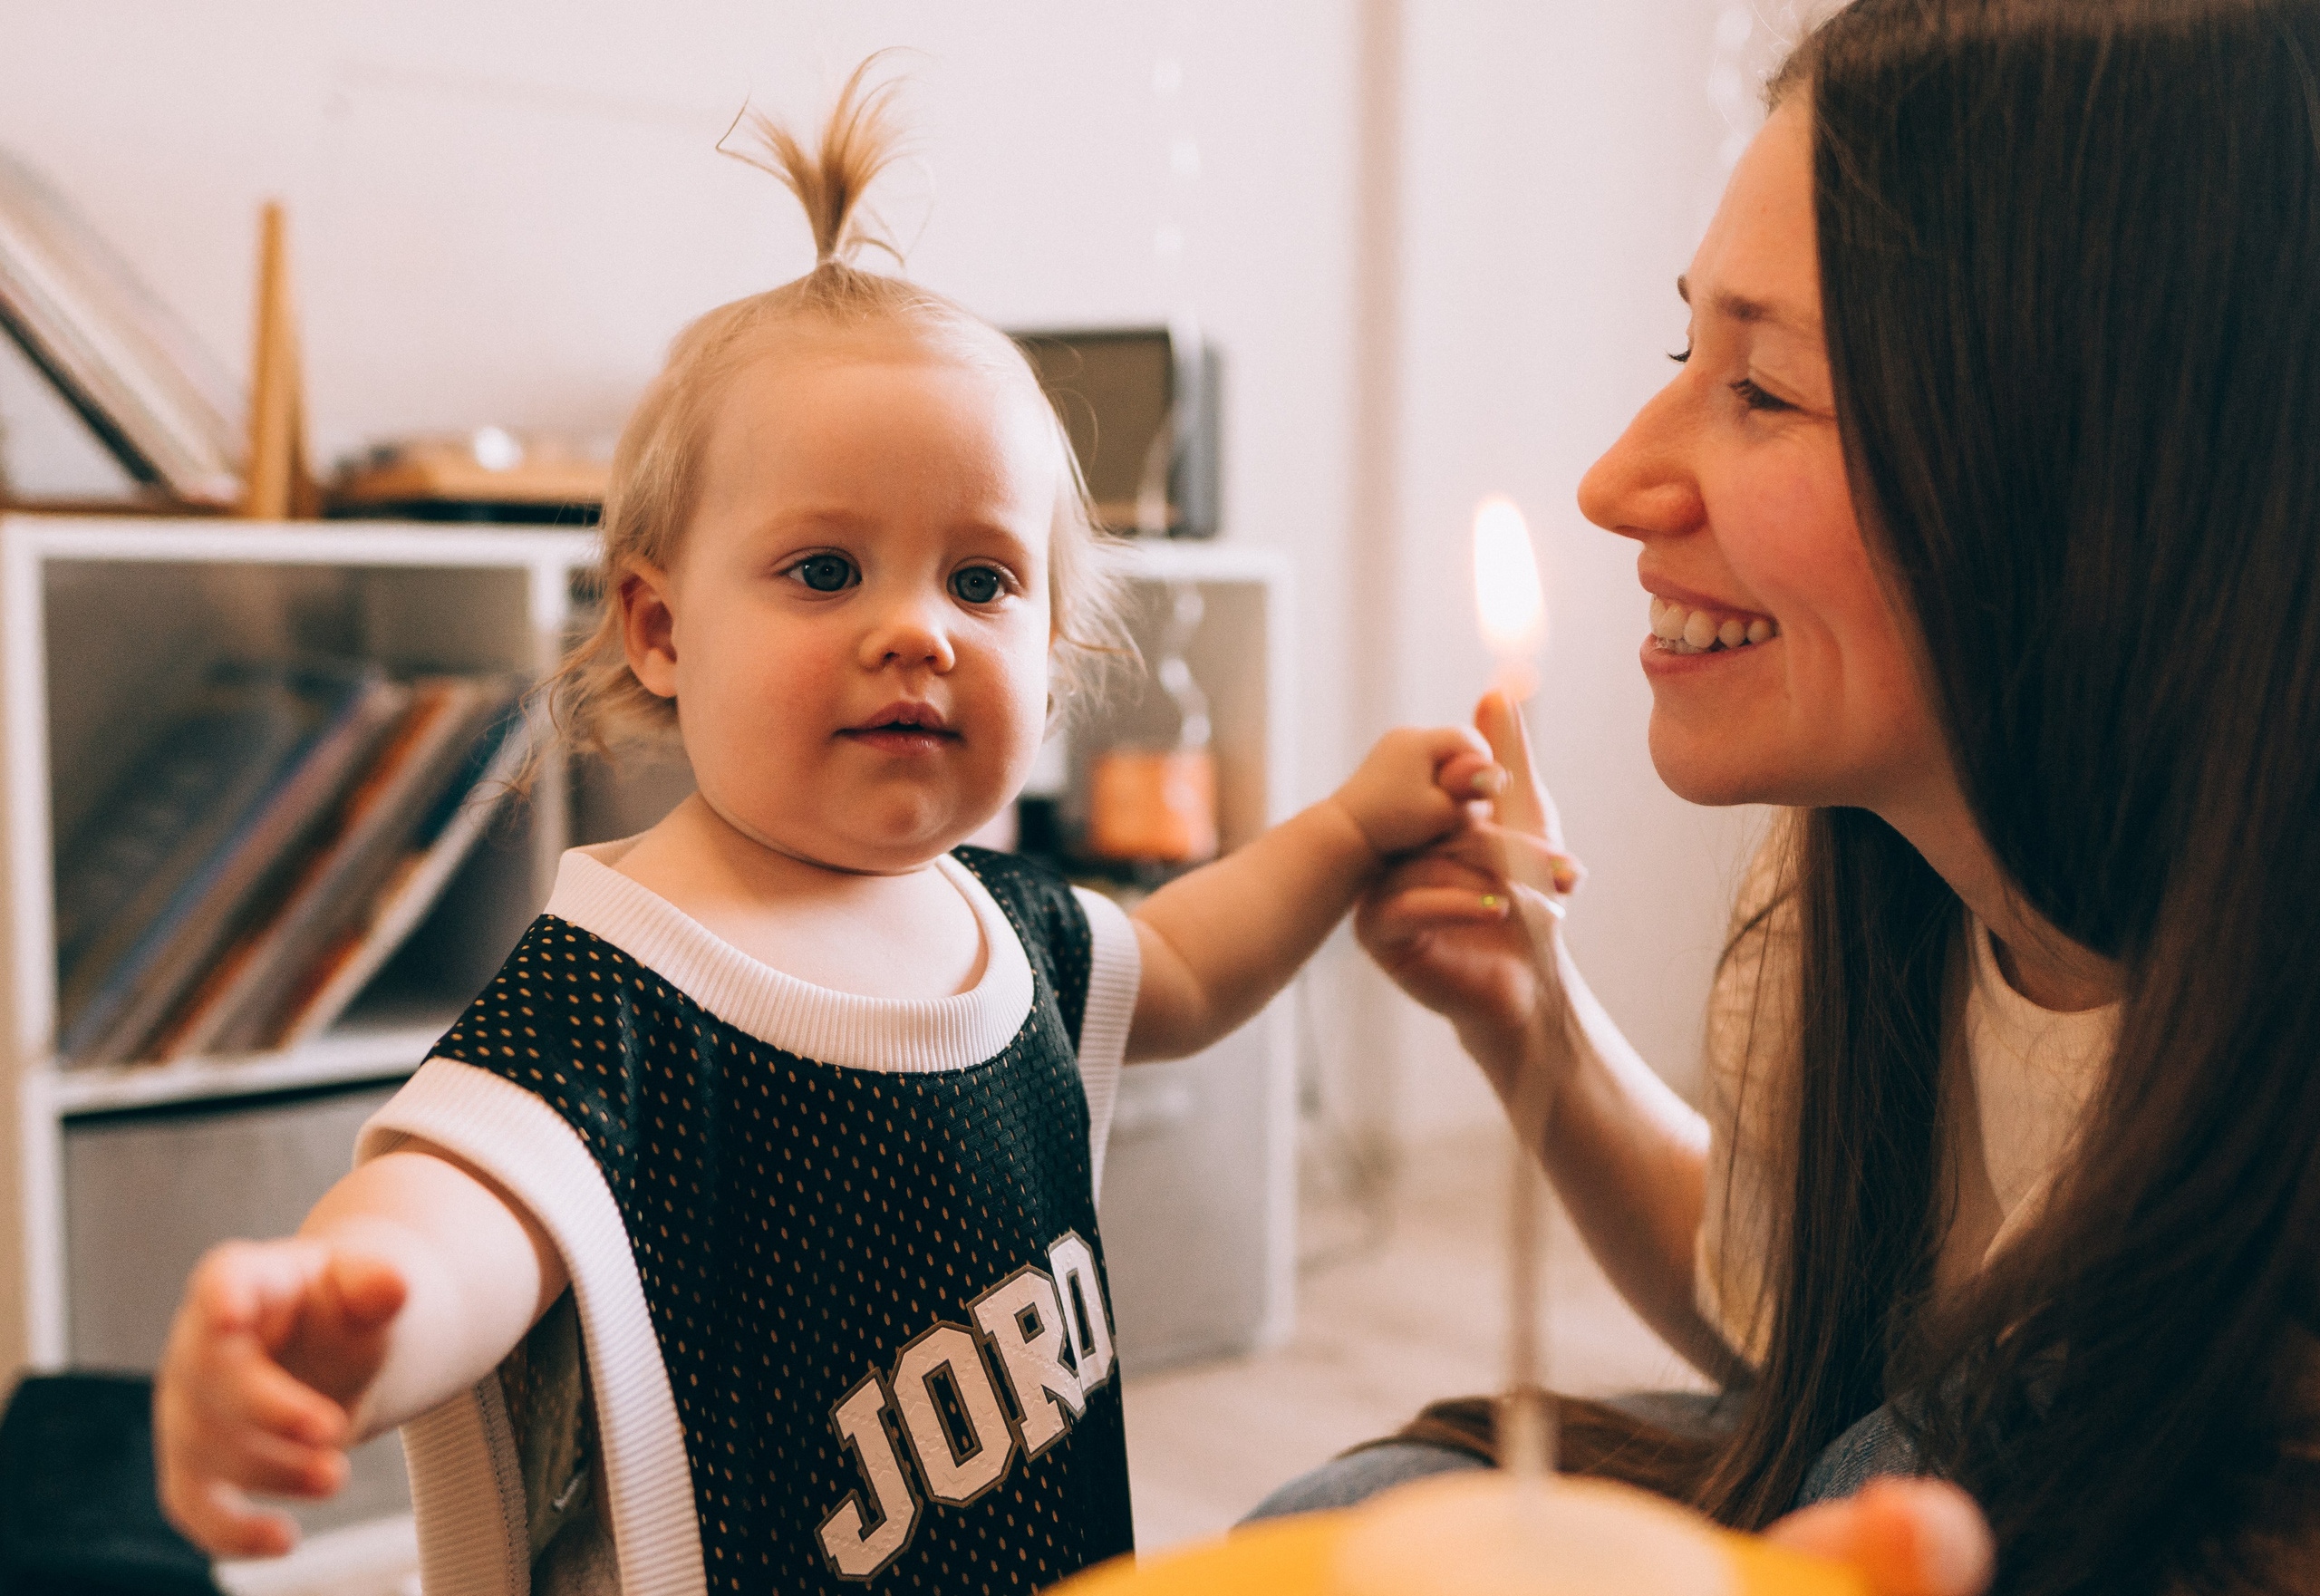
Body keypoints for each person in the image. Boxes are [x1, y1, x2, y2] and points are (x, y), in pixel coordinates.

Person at [149, 64, 1503, 1596]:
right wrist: (340, 1308)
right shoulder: (623, 982)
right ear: (660, 629)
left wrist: (1346, 829)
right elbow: (469, 1201)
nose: (916, 631)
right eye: (825, 571)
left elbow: (1181, 960)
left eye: (981, 581)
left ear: (1054, 652)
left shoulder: (1005, 921)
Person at [1263, 2, 2320, 1592]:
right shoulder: (1861, 897)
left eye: (1761, 389)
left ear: (2082, 462)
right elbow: (1793, 1312)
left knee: (1895, 1455)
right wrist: (1527, 1016)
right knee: (1342, 1528)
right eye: (1682, 351)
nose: (1617, 480)